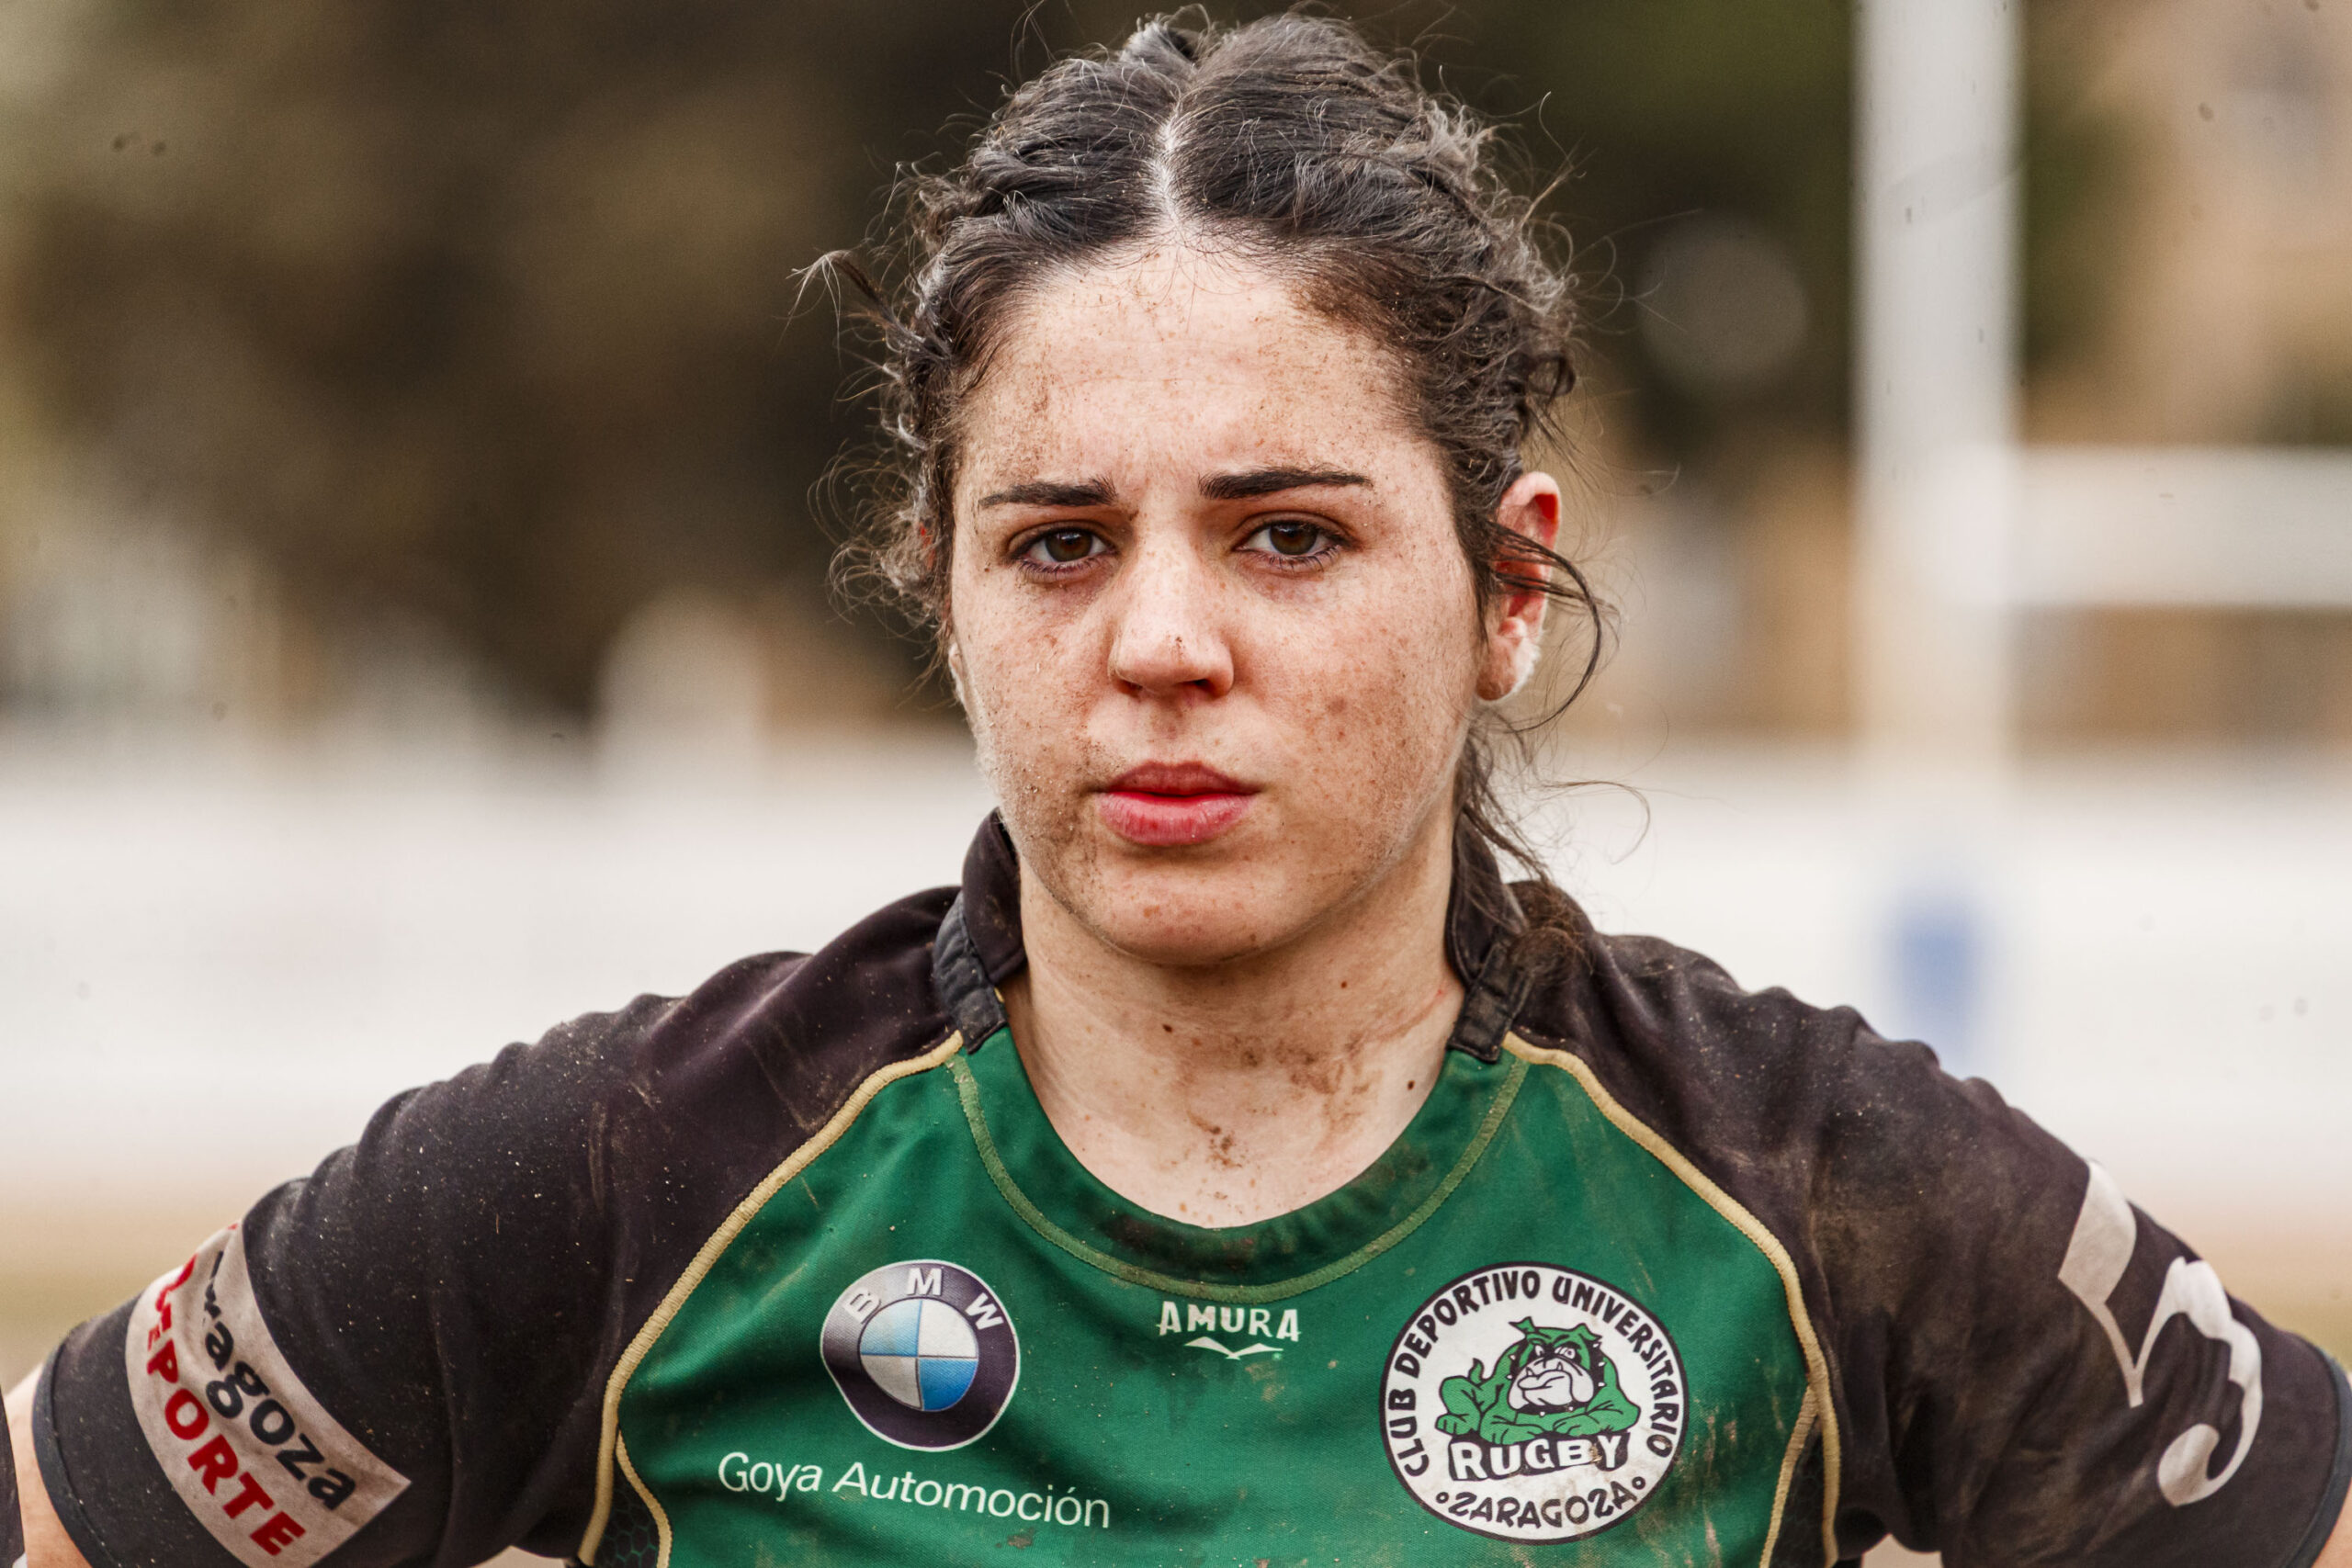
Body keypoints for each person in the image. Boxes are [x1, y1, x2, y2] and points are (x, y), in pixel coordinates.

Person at [8, 13, 2348, 1566]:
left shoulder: (1817, 1186)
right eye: (1056, 540)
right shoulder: (627, 1169)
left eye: (1287, 532)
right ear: (935, 588)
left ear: (1504, 589)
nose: (1156, 638)